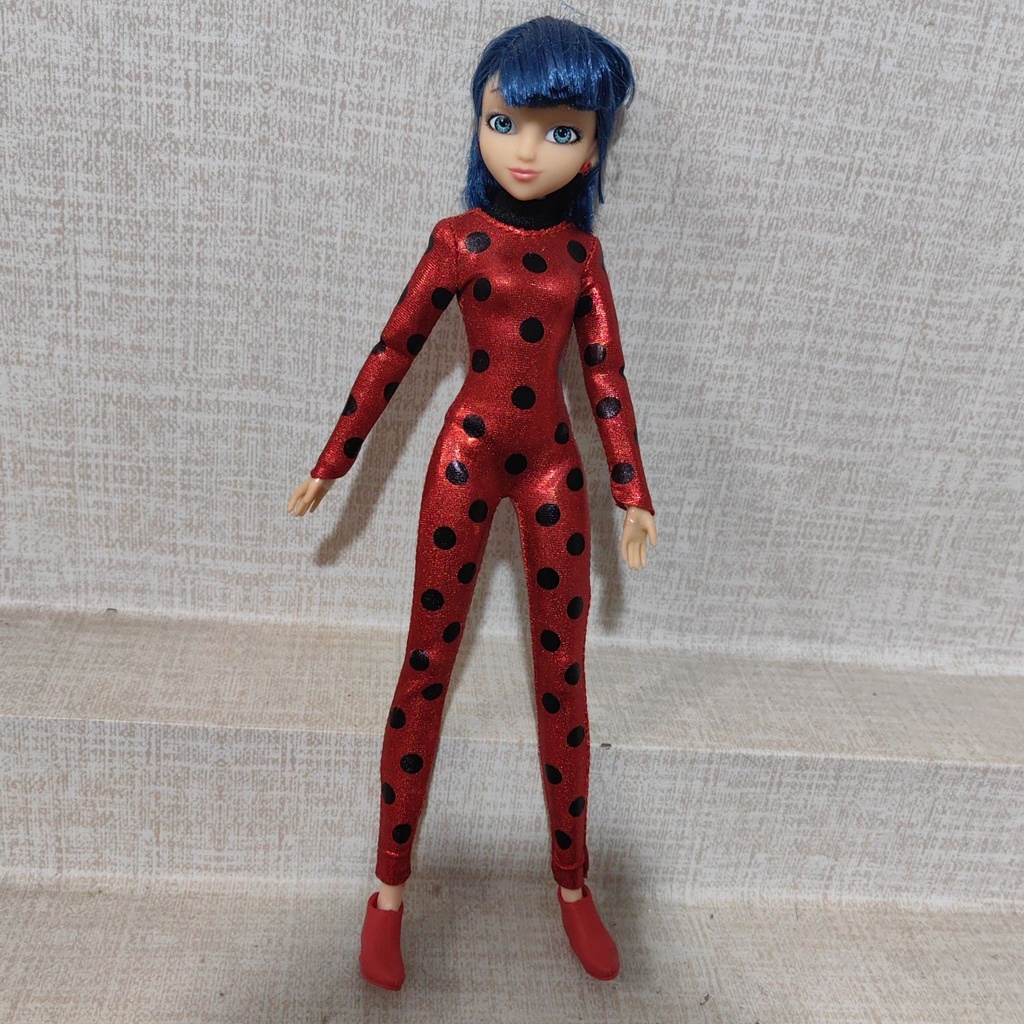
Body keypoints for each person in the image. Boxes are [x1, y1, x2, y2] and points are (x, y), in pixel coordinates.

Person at [288, 16, 656, 988]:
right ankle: (387, 889)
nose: (527, 150)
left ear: (594, 147)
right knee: (427, 662)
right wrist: (335, 458)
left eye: (561, 130)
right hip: (465, 459)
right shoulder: (458, 242)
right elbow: (393, 351)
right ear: (478, 124)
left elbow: (606, 377)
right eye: (505, 122)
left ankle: (572, 882)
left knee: (562, 673)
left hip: (553, 471)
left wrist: (631, 488)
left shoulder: (581, 259)